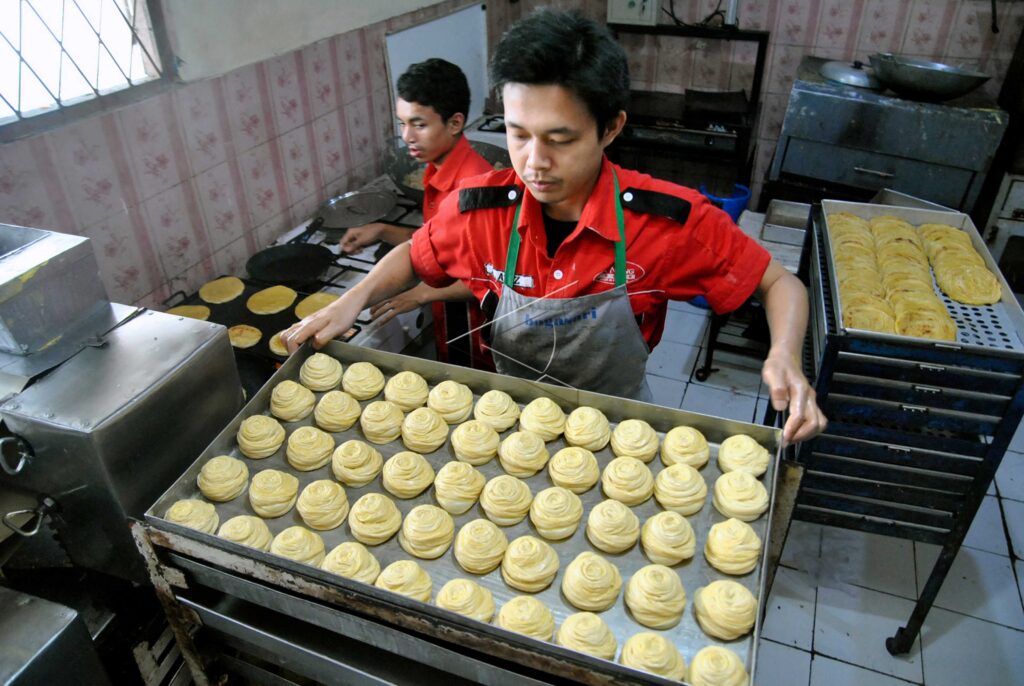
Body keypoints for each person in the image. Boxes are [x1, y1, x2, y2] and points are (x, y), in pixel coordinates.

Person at [286, 9, 826, 444]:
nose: (534, 162)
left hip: (618, 427)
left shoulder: (664, 220)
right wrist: (350, 301)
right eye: (519, 134)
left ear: (611, 128)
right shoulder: (482, 211)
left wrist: (785, 356)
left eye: (559, 139)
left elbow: (779, 282)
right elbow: (416, 254)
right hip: (508, 418)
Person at [342, 58, 495, 369]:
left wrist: (421, 294)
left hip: (476, 327)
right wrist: (382, 229)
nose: (406, 136)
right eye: (402, 123)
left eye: (419, 125)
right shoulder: (436, 170)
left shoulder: (474, 188)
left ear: (455, 123)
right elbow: (439, 245)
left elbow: (491, 278)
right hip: (448, 317)